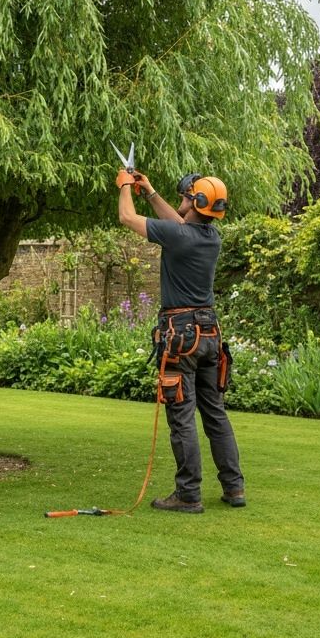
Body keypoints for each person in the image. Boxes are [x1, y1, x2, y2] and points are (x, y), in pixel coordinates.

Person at [116, 166, 246, 514]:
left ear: (195, 203)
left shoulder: (179, 236)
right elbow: (179, 222)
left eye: (186, 197)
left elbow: (126, 217)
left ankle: (188, 494)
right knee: (215, 413)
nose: (182, 200)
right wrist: (152, 192)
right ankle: (234, 488)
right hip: (209, 334)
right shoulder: (209, 236)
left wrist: (126, 186)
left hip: (181, 335)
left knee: (182, 415)